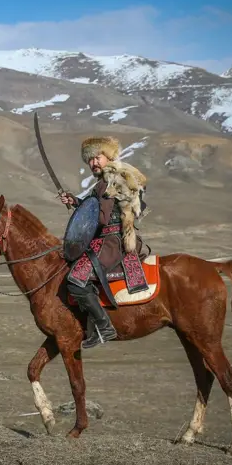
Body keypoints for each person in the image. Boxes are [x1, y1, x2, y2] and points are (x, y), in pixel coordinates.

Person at [58, 136, 148, 349]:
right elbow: (95, 209)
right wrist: (76, 202)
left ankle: (104, 327)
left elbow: (101, 219)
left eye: (97, 157)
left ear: (107, 156)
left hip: (111, 240)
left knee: (75, 279)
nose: (93, 163)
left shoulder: (110, 181)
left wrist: (83, 216)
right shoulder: (105, 181)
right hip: (107, 237)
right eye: (89, 160)